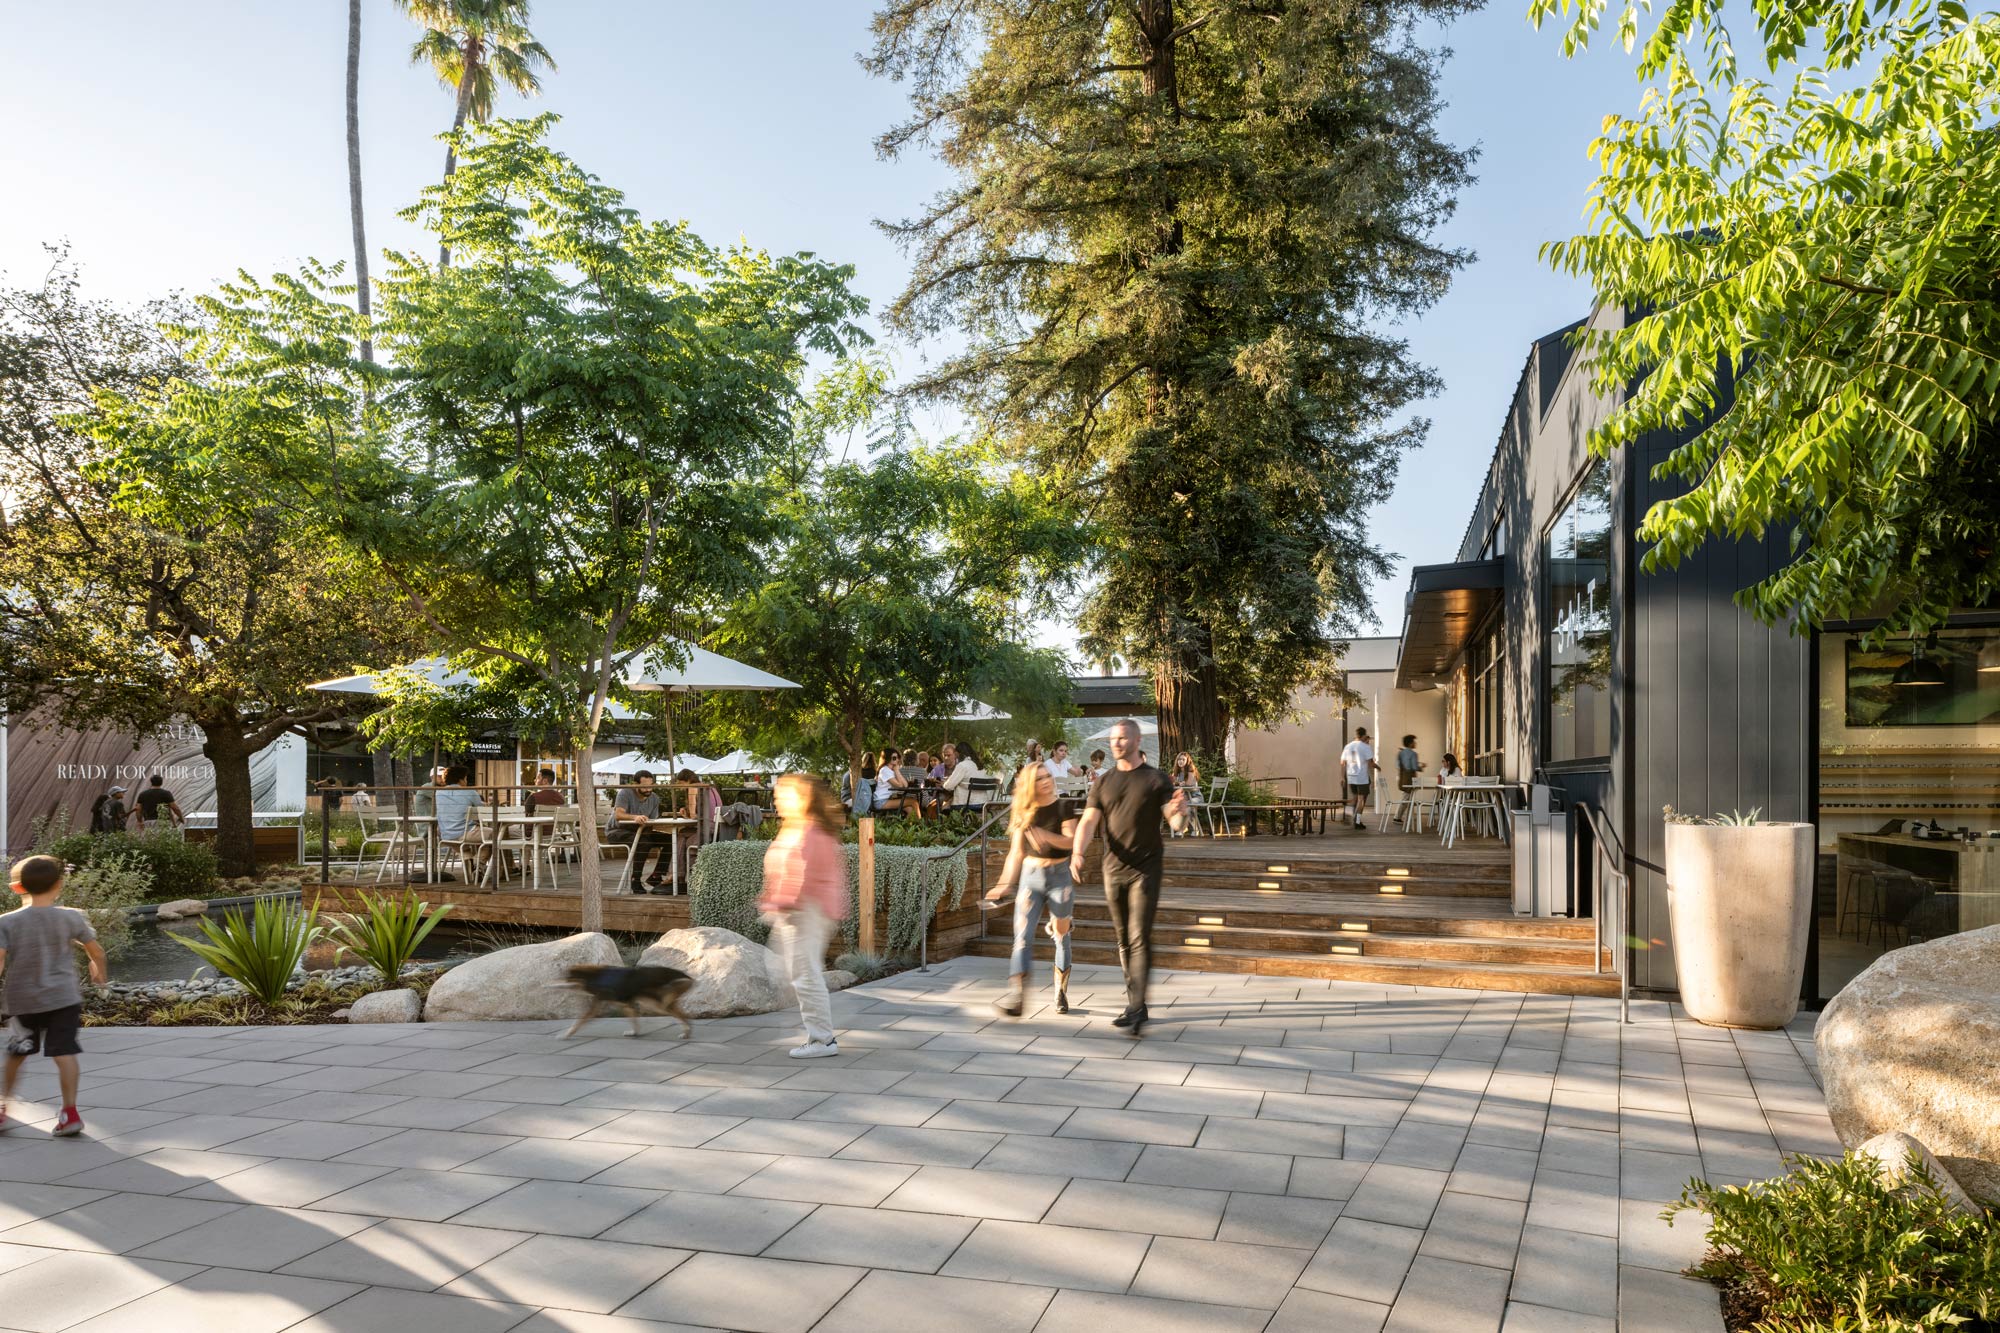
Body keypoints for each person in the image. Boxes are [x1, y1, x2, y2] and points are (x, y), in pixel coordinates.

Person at [1069, 719, 1189, 1037]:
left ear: (1136, 740)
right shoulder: (1104, 782)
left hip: (1146, 868)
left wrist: (1182, 812)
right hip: (1113, 868)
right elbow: (1088, 822)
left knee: (1138, 936)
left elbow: (1175, 823)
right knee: (1123, 939)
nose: (1117, 743)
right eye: (1113, 739)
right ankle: (1136, 1003)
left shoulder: (1155, 779)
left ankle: (1136, 1007)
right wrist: (1078, 853)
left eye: (1122, 738)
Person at [0, 855, 109, 1137]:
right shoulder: (71, 916)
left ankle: (3, 1107)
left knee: (16, 1055)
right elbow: (96, 951)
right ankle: (70, 1112)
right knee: (65, 1053)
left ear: (17, 888)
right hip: (64, 999)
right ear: (59, 884)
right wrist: (98, 972)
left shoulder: (6, 922)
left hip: (23, 1002)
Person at [757, 773, 848, 1058]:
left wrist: (784, 903)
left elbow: (802, 874)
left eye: (784, 794)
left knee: (805, 975)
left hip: (804, 911)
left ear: (803, 798)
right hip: (798, 911)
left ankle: (822, 1040)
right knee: (799, 974)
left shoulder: (809, 831)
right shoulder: (797, 827)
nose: (777, 799)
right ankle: (819, 1036)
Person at [986, 763, 1076, 1017]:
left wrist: (1046, 836)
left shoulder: (1063, 806)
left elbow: (1071, 841)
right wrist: (1003, 884)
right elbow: (1016, 853)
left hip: (1060, 877)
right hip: (1031, 877)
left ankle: (1060, 991)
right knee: (1022, 937)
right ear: (1029, 784)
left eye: (1048, 776)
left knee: (1061, 933)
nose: (1047, 781)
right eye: (1039, 778)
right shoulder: (1024, 811)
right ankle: (1018, 997)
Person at [606, 770, 675, 892]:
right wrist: (635, 817)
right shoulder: (625, 793)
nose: (648, 789)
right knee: (643, 843)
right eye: (644, 786)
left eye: (651, 786)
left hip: (641, 830)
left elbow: (652, 821)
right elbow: (619, 815)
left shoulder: (654, 798)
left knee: (671, 840)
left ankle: (656, 875)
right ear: (635, 784)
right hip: (617, 831)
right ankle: (635, 880)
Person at [433, 766, 490, 883]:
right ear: (460, 779)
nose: (466, 781)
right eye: (466, 778)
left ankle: (470, 862)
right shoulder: (469, 791)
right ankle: (479, 864)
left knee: (463, 847)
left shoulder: (438, 793)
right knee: (497, 835)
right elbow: (481, 810)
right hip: (467, 833)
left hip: (446, 836)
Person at [1340, 728, 1379, 829]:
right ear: (1363, 735)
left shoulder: (1348, 746)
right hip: (1361, 777)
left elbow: (1343, 762)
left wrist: (1342, 777)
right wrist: (1378, 767)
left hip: (1350, 776)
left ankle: (1348, 814)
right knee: (1361, 800)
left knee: (1355, 798)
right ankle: (1357, 822)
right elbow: (1371, 763)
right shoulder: (1365, 747)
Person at [940, 742, 984, 810]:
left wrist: (943, 783)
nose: (956, 757)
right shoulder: (977, 765)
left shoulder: (962, 765)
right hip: (982, 802)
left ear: (959, 754)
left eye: (956, 754)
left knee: (944, 805)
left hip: (965, 803)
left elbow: (948, 787)